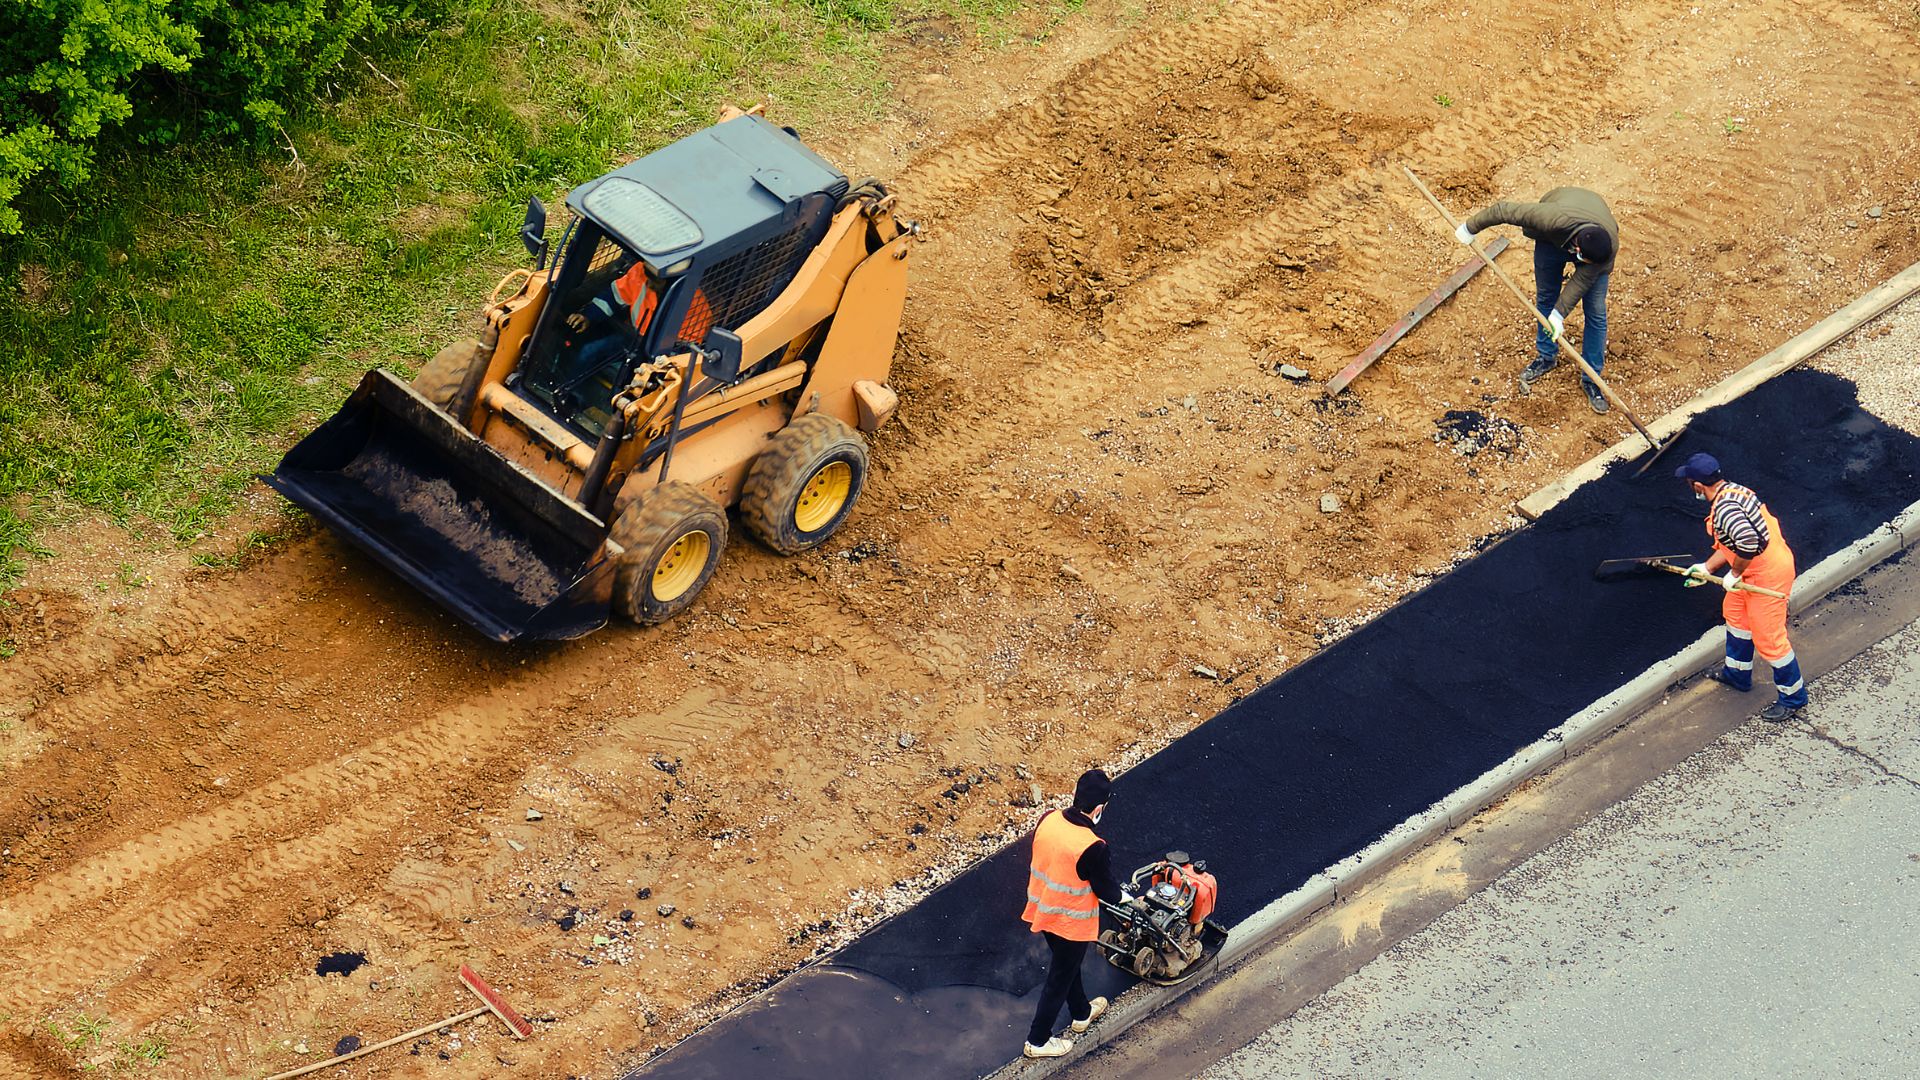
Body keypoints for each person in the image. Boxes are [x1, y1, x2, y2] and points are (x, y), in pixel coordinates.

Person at [1456, 187, 1619, 415]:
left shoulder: (1606, 251)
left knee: (1595, 311)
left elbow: (1581, 281)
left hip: (1590, 228)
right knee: (1546, 297)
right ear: (1578, 248)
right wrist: (1469, 227)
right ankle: (1546, 356)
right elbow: (1504, 210)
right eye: (1582, 257)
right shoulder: (1551, 218)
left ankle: (1592, 378)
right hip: (1553, 238)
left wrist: (1559, 315)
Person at [1674, 452, 1806, 721]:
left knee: (1769, 639)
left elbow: (1747, 542)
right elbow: (1730, 543)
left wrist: (1734, 573)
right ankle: (1737, 674)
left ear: (1698, 485)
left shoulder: (1726, 510)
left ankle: (1794, 698)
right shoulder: (1734, 491)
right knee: (1736, 617)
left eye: (1689, 482)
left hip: (1767, 576)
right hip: (1751, 573)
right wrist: (1707, 568)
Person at [1020, 768, 1126, 1059]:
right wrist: (1126, 897)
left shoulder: (1049, 819)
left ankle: (1081, 1013)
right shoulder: (1092, 846)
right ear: (1100, 808)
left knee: (1067, 968)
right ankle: (1037, 1042)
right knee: (1059, 977)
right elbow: (1107, 891)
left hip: (1044, 909)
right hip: (1071, 921)